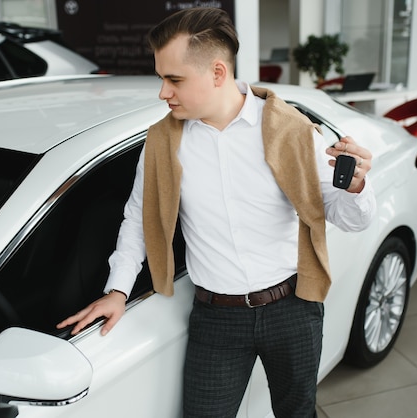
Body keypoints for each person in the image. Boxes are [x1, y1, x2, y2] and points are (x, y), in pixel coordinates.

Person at [57, 7, 376, 418]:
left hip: (292, 307)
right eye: (161, 79)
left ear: (218, 73)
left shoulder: (290, 130)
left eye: (174, 80)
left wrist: (355, 188)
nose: (163, 92)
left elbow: (350, 218)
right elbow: (138, 218)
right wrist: (117, 290)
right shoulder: (161, 143)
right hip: (216, 319)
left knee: (298, 413)